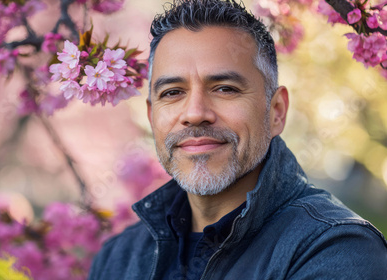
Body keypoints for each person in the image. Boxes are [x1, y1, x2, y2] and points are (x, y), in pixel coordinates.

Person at [88, 0, 387, 279]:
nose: (195, 114)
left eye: (225, 88)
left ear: (276, 112)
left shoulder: (337, 249)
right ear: (152, 116)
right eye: (173, 92)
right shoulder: (118, 257)